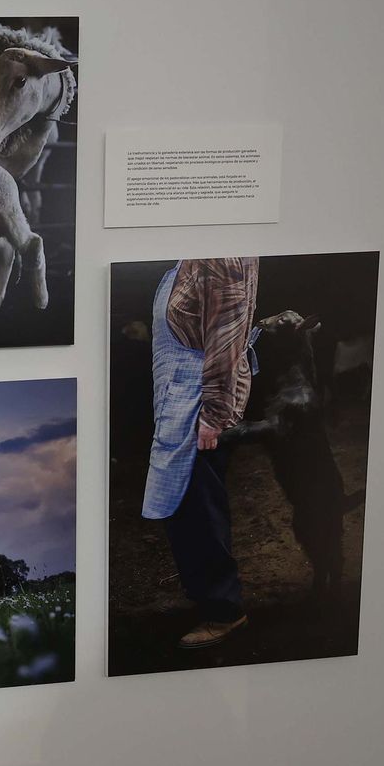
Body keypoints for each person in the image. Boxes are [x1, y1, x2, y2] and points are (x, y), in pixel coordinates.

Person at [141, 257, 261, 649]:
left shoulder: (224, 256)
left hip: (199, 402)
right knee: (188, 508)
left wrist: (213, 412)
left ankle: (224, 612)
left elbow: (227, 336)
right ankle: (212, 600)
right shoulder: (200, 253)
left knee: (200, 511)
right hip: (181, 397)